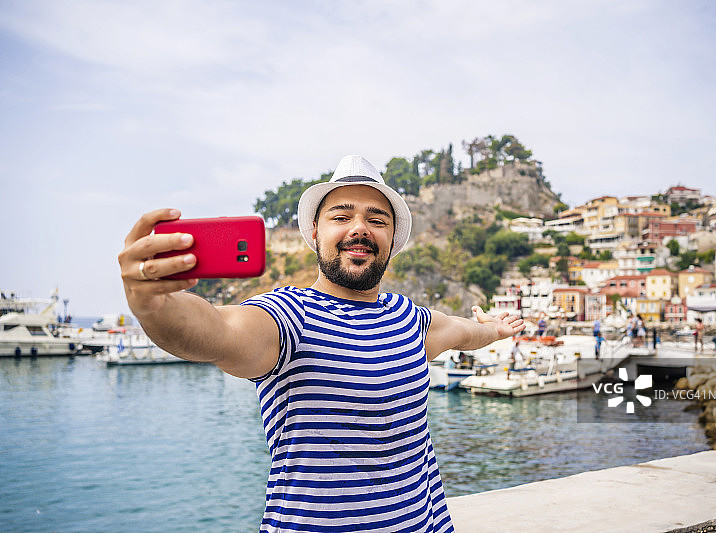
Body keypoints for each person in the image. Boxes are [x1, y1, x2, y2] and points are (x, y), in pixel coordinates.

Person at [117, 155, 523, 533]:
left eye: (376, 219)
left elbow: (465, 331)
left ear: (392, 237)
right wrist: (152, 305)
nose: (359, 227)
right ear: (315, 232)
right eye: (341, 216)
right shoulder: (291, 316)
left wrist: (496, 329)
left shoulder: (410, 320)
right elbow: (218, 331)